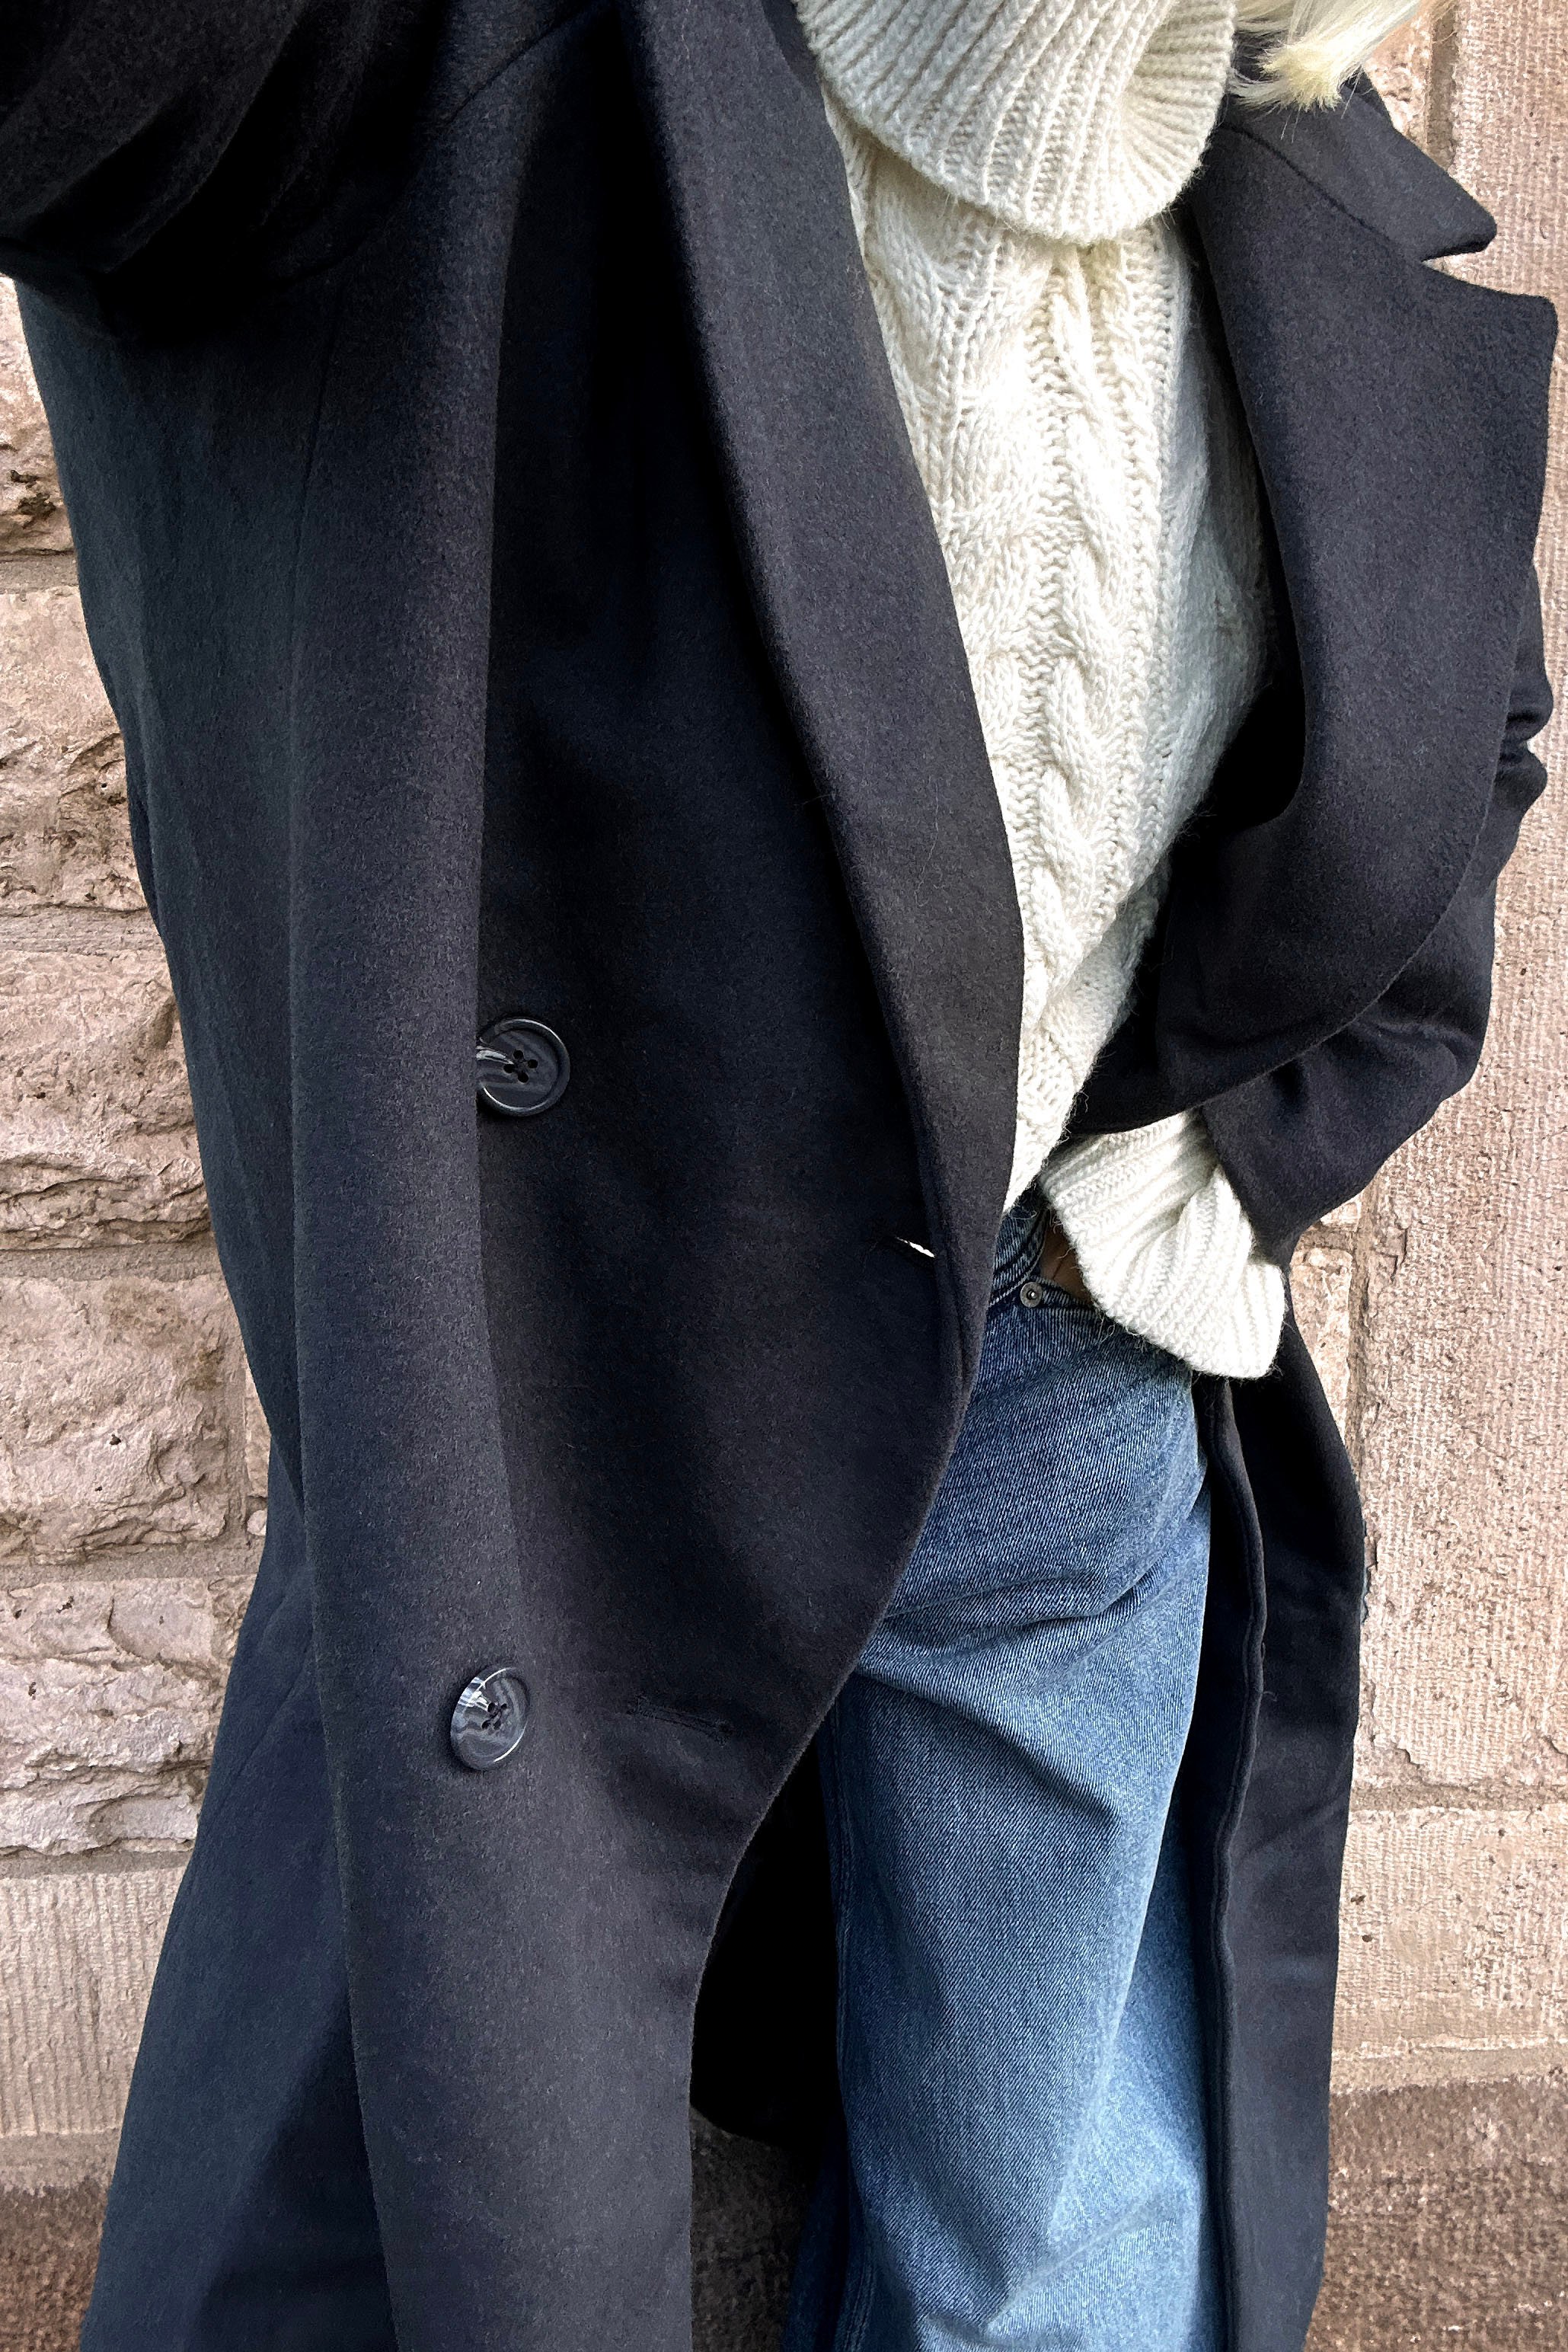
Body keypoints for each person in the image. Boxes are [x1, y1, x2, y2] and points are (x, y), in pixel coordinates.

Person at [0, 3, 1552, 2348]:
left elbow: (1457, 718)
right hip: (555, 1398)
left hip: (1069, 1360)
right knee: (466, 2205)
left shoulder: (1275, 138)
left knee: (1052, 2256)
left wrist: (1223, 1166)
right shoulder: (439, 68)